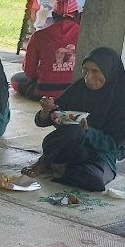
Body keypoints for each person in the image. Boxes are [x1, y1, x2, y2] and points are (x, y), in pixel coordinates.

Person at [22, 47, 125, 191]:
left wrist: (88, 131)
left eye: (95, 71)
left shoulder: (121, 100)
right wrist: (46, 111)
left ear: (110, 72)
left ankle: (56, 166)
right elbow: (46, 119)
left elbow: (113, 144)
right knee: (74, 130)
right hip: (72, 148)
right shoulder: (79, 89)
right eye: (85, 70)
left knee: (95, 180)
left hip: (100, 155)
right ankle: (46, 159)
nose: (88, 77)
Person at [12, 0, 81, 100]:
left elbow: (29, 71)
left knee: (16, 79)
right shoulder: (87, 36)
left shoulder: (38, 36)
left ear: (53, 15)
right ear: (76, 15)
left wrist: (46, 73)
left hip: (44, 92)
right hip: (75, 92)